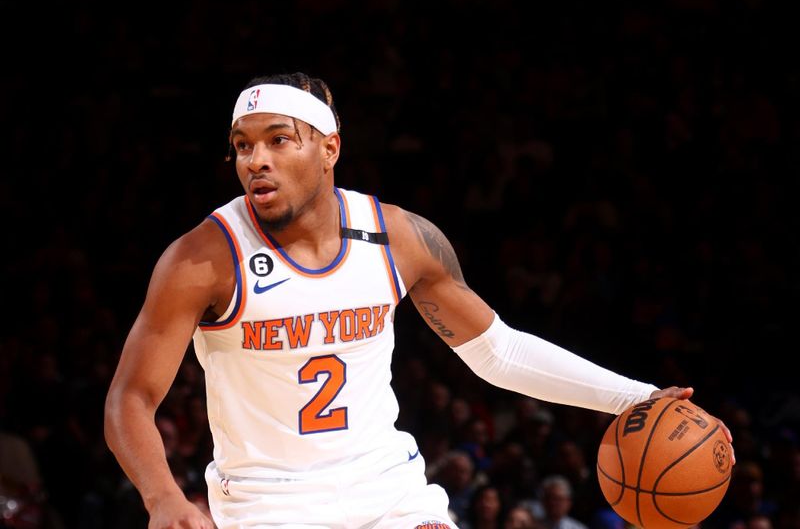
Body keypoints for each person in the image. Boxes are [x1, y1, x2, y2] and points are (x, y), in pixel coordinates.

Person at [104, 72, 735, 528]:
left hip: (391, 494)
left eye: (278, 140)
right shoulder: (202, 258)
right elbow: (131, 396)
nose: (255, 161)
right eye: (243, 146)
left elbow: (499, 352)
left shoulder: (397, 237)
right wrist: (163, 497)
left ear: (330, 149)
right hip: (268, 505)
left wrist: (636, 397)